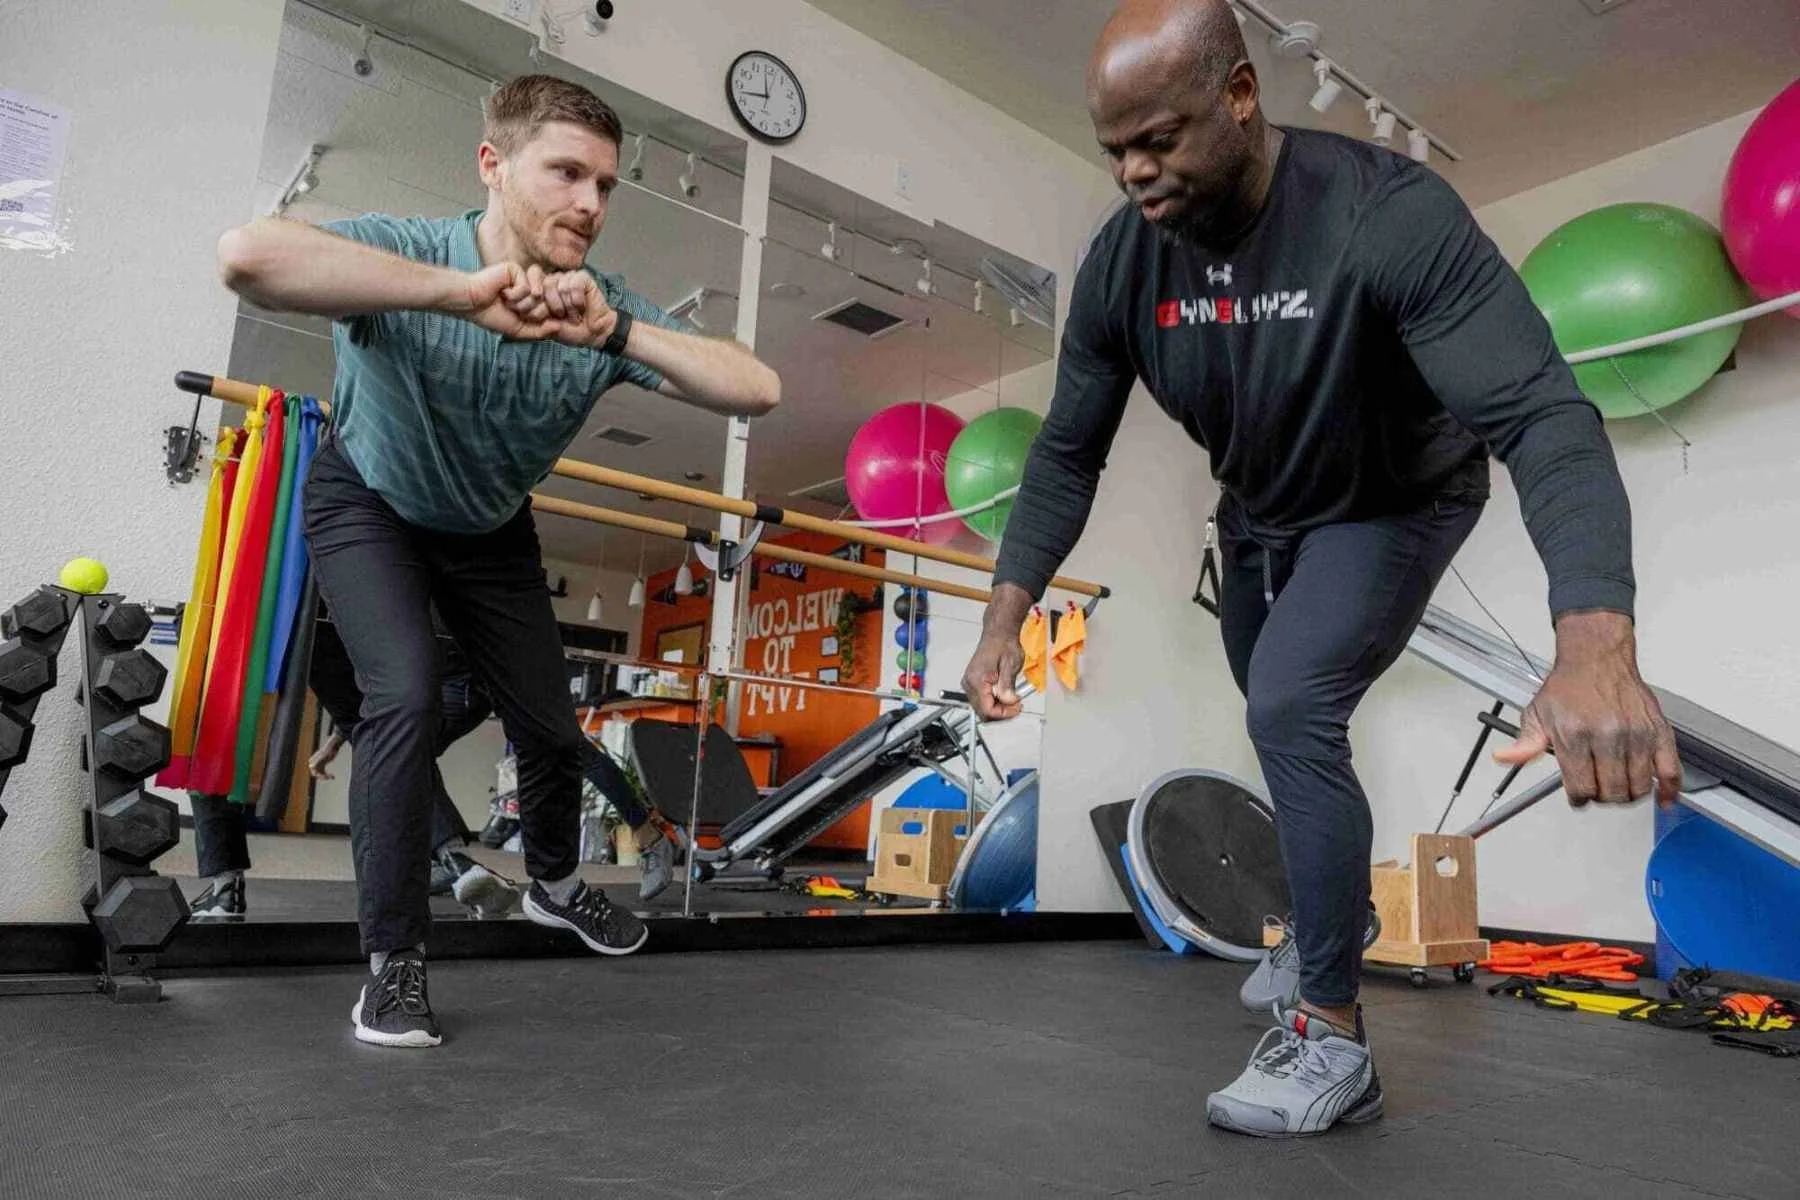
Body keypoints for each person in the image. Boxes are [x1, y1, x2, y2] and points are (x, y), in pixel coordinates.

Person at [961, 0, 1682, 1139]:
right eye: (1115, 151)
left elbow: (1546, 417)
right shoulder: (1121, 266)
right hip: (1260, 514)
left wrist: (1594, 639)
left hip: (1399, 500)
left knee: (1293, 703)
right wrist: (1005, 618)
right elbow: (1064, 449)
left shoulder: (1385, 217)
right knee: (1275, 709)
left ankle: (1331, 1039)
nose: (1136, 175)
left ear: (1241, 95)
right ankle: (1316, 927)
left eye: (1159, 139)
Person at [215, 73, 779, 1048]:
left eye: (605, 186)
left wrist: (621, 331)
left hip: (489, 529)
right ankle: (394, 963)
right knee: (401, 693)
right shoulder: (411, 253)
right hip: (370, 503)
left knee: (554, 729)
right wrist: (462, 296)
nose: (590, 205)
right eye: (567, 174)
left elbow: (757, 387)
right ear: (493, 165)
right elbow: (247, 255)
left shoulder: (599, 310)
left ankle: (555, 886)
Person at [187, 606, 520, 921]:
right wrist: (333, 743)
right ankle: (450, 862)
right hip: (419, 663)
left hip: (441, 676)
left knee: (212, 721)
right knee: (386, 747)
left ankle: (224, 888)